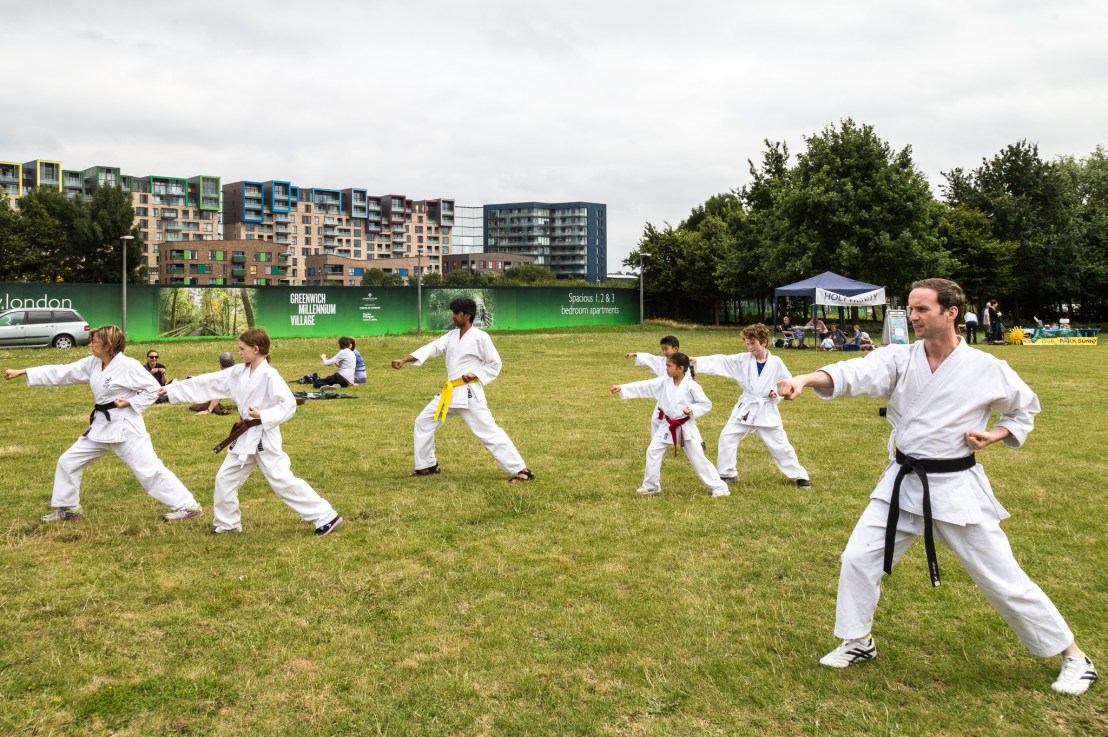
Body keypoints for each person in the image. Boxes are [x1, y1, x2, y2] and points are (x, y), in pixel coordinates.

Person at [775, 278, 1096, 695]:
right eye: (910, 309)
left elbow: (1023, 410)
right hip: (901, 482)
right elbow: (853, 372)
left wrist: (996, 435)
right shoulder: (899, 358)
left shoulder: (987, 368)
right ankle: (857, 641)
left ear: (951, 313)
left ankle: (1074, 657)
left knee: (1001, 578)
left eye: (922, 309)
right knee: (858, 558)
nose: (913, 317)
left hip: (956, 489)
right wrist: (804, 378)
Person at [4, 325, 203, 524]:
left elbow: (154, 389)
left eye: (95, 340)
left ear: (109, 344)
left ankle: (187, 506)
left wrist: (131, 402)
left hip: (126, 427)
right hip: (101, 426)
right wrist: (25, 371)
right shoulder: (93, 363)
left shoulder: (128, 365)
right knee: (68, 462)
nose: (91, 343)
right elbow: (64, 372)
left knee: (148, 469)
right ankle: (70, 509)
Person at [161, 328, 342, 536]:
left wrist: (263, 415)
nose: (239, 353)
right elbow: (210, 381)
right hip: (246, 435)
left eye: (242, 349)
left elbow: (289, 404)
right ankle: (227, 524)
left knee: (281, 480)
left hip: (263, 434)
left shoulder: (269, 375)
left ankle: (326, 516)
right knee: (225, 478)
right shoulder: (239, 372)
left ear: (256, 349)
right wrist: (174, 390)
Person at [391, 296, 534, 483]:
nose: (453, 316)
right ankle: (427, 466)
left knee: (488, 431)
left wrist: (475, 375)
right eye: (453, 312)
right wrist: (405, 359)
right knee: (423, 422)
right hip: (449, 393)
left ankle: (521, 470)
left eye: (456, 313)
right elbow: (432, 348)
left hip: (469, 394)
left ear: (467, 315)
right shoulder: (450, 336)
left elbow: (494, 364)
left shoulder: (481, 337)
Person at [693, 323, 810, 488]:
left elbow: (786, 382)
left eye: (753, 343)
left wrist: (775, 393)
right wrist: (697, 362)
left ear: (763, 342)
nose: (750, 347)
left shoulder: (776, 362)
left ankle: (800, 476)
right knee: (727, 437)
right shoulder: (742, 360)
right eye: (747, 344)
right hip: (746, 407)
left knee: (780, 445)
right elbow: (721, 361)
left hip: (766, 409)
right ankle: (727, 473)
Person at [611, 352, 729, 497]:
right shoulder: (664, 382)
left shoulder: (691, 385)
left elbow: (706, 404)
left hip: (685, 426)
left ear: (680, 369)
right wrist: (622, 388)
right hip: (667, 425)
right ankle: (651, 486)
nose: (666, 369)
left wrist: (692, 409)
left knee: (698, 459)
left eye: (669, 366)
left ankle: (719, 487)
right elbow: (645, 385)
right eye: (666, 365)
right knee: (652, 451)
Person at [624, 335, 687, 438]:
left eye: (666, 349)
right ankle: (655, 444)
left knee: (683, 422)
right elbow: (650, 358)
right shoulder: (662, 361)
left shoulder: (684, 363)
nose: (664, 352)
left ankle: (696, 442)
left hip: (680, 399)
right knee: (656, 420)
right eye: (663, 349)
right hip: (664, 397)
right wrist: (635, 354)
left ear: (675, 349)